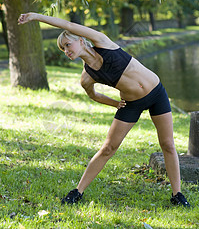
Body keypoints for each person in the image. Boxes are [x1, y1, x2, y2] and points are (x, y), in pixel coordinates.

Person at [18, 12, 190, 208]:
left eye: (68, 45)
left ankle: (177, 195)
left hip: (156, 93)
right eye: (62, 48)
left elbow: (66, 23)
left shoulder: (102, 42)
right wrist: (115, 104)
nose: (66, 50)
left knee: (167, 144)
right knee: (108, 148)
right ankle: (77, 192)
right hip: (132, 104)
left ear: (81, 40)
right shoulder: (86, 77)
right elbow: (93, 95)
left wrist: (35, 16)